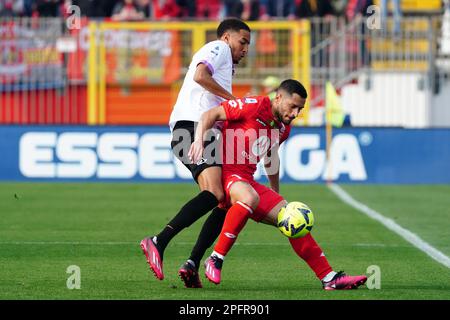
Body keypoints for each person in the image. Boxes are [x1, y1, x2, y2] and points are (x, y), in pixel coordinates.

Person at [189, 79, 368, 290]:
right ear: (279, 97)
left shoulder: (283, 128)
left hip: (246, 181)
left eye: (300, 109)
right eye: (293, 106)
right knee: (249, 198)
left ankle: (329, 278)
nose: (295, 113)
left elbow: (271, 158)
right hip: (225, 176)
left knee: (293, 218)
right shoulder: (253, 105)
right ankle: (216, 257)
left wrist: (275, 193)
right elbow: (210, 115)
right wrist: (199, 140)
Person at [140, 18, 251, 283]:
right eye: (243, 42)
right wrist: (234, 101)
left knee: (224, 200)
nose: (245, 49)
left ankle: (191, 263)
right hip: (192, 128)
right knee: (214, 193)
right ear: (227, 38)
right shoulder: (218, 48)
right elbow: (201, 76)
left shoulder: (226, 64)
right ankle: (158, 241)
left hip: (199, 130)